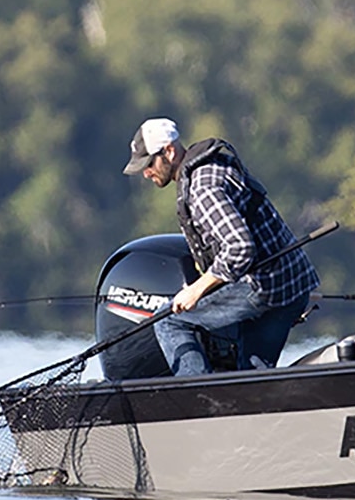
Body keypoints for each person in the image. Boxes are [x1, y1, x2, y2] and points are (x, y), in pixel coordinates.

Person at [123, 117, 319, 375]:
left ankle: (196, 400)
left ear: (169, 151)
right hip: (292, 283)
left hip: (264, 285)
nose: (146, 173)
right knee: (250, 376)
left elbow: (239, 248)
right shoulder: (210, 168)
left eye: (148, 164)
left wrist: (196, 290)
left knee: (169, 319)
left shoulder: (203, 188)